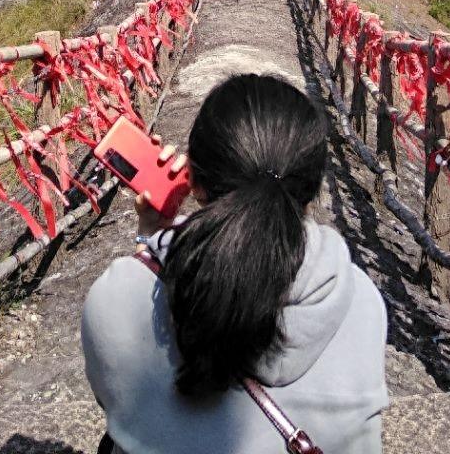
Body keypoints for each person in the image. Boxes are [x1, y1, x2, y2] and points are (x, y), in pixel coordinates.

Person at [81, 72, 388, 454]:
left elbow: (116, 400)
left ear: (194, 180)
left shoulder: (117, 299)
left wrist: (153, 240)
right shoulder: (361, 302)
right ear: (311, 191)